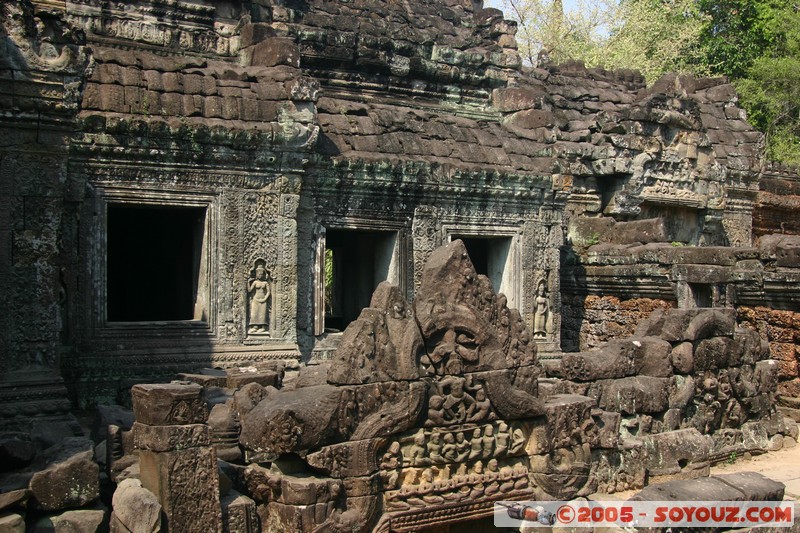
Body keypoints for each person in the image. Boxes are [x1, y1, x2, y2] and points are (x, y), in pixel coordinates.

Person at [248, 264, 271, 334]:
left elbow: (268, 292)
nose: (260, 275)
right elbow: (249, 290)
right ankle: (255, 327)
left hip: (263, 299)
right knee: (254, 313)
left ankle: (263, 327)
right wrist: (248, 282)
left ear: (264, 274)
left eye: (262, 274)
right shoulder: (255, 282)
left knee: (262, 313)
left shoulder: (265, 283)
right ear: (257, 274)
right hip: (255, 299)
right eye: (259, 274)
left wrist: (265, 298)